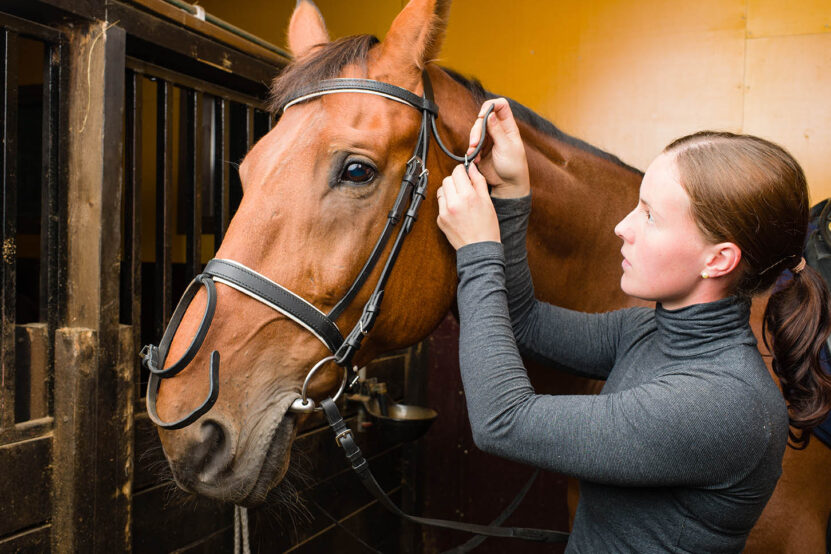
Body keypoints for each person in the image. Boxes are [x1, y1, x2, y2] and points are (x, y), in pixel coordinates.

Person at [435, 97, 831, 552]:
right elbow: (523, 321)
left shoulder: (721, 403)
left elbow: (501, 421)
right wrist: (512, 194)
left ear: (718, 259)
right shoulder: (647, 332)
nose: (623, 227)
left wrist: (478, 251)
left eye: (650, 215)